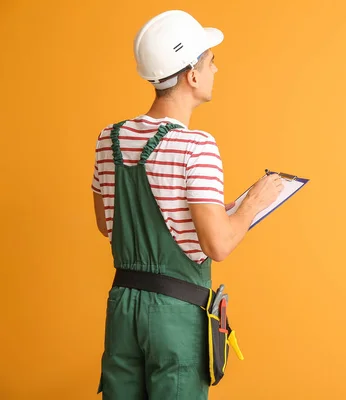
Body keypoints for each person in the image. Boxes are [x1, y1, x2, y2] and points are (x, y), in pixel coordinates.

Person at [91, 9, 283, 399]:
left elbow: (106, 223)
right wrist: (252, 204)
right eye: (211, 61)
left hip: (123, 307)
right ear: (192, 75)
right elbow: (219, 246)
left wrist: (213, 212)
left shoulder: (108, 139)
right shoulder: (196, 146)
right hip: (176, 315)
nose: (216, 69)